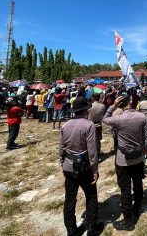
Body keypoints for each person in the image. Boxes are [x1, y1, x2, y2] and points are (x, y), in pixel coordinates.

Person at [102, 95, 147, 231]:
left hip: (123, 159)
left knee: (125, 188)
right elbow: (146, 137)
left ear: (121, 105)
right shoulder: (142, 117)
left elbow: (104, 119)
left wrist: (113, 106)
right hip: (138, 157)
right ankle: (138, 205)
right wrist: (145, 152)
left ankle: (128, 220)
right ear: (131, 103)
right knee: (138, 181)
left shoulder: (119, 119)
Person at [59, 97, 102, 236]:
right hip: (85, 167)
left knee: (70, 199)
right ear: (85, 110)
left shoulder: (65, 125)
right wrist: (95, 169)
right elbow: (92, 150)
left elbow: (61, 148)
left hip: (69, 166)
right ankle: (91, 228)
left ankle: (71, 230)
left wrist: (62, 165)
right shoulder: (89, 125)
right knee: (91, 196)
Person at [88, 93, 106, 159]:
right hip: (98, 124)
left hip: (90, 124)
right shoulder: (102, 106)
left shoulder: (89, 105)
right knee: (98, 140)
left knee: (90, 140)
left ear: (93, 98)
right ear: (99, 98)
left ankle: (91, 154)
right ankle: (98, 155)